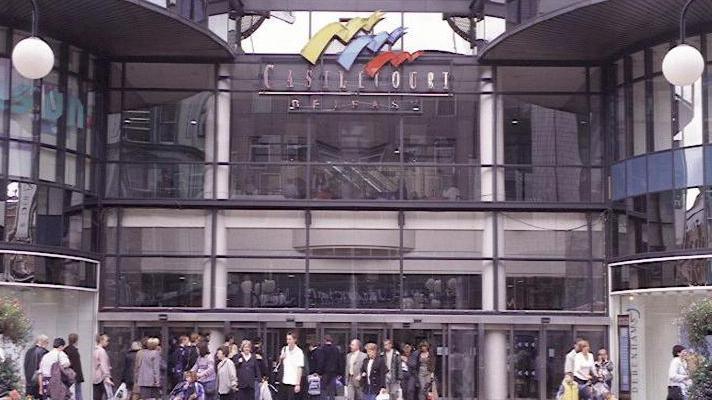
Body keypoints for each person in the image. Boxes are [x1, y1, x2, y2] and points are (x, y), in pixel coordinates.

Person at [279, 332, 305, 400]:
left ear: (295, 340)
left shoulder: (299, 352)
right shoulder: (284, 349)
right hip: (284, 380)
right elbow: (280, 364)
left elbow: (300, 368)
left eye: (290, 339)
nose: (288, 341)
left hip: (293, 382)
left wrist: (297, 384)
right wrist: (281, 358)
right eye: (287, 339)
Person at [315, 336, 341, 400]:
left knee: (323, 390)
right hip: (333, 373)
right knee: (332, 391)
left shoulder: (322, 349)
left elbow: (321, 362)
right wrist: (339, 373)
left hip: (324, 373)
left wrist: (319, 373)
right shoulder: (336, 349)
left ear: (324, 340)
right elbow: (339, 361)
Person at [24, 335, 49, 399]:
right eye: (47, 342)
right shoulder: (44, 352)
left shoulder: (29, 351)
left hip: (29, 382)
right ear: (44, 342)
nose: (48, 344)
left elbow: (25, 365)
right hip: (39, 383)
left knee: (29, 398)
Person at [93, 334, 113, 400]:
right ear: (101, 340)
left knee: (97, 395)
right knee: (108, 395)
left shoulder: (95, 350)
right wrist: (107, 376)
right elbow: (103, 365)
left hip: (95, 376)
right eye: (106, 341)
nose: (108, 342)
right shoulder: (102, 351)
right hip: (102, 377)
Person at [65, 334, 84, 400]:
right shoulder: (75, 351)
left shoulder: (66, 350)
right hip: (76, 375)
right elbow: (77, 365)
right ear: (76, 340)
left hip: (68, 375)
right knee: (78, 393)